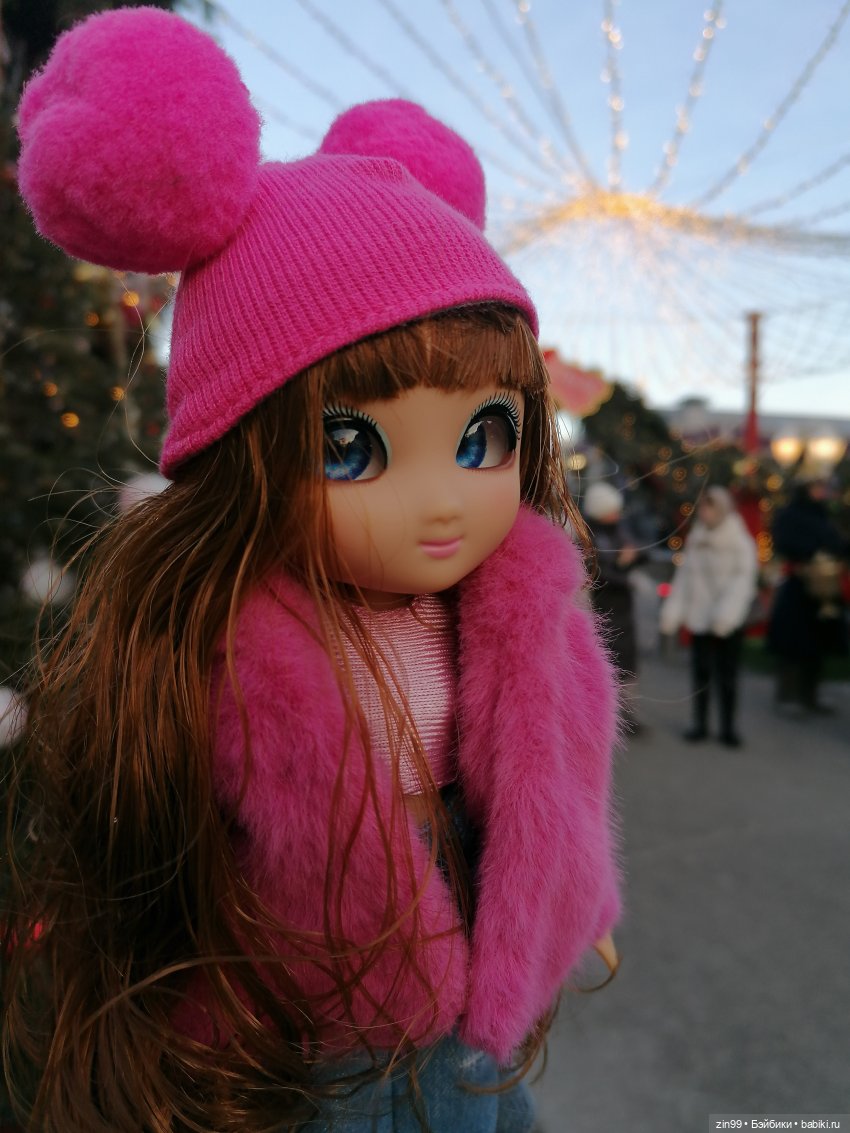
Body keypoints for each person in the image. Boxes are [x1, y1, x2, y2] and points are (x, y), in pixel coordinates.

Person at [2, 10, 620, 1133]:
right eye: (350, 447)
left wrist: (563, 890)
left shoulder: (516, 604)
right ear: (241, 456)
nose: (443, 498)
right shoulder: (215, 645)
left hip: (480, 939)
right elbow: (163, 860)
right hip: (311, 986)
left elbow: (551, 771)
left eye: (483, 436)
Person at [660, 486, 758, 747]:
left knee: (728, 674)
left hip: (730, 619)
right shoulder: (697, 538)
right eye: (703, 507)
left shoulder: (739, 541)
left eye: (710, 507)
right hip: (700, 614)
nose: (704, 512)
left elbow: (744, 581)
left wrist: (727, 614)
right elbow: (684, 579)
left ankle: (728, 728)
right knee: (700, 671)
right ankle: (700, 724)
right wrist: (673, 611)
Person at [767, 476, 849, 714]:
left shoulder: (823, 515)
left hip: (824, 589)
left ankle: (810, 696)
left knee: (817, 645)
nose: (822, 491)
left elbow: (837, 544)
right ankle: (788, 696)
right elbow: (785, 543)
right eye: (817, 486)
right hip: (800, 586)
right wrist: (812, 554)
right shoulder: (791, 514)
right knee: (793, 644)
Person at [582, 481, 644, 733]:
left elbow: (639, 551)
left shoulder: (618, 530)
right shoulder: (590, 536)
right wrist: (623, 567)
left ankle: (626, 715)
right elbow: (598, 573)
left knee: (626, 661)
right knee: (605, 661)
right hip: (602, 607)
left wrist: (631, 558)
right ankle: (602, 716)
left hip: (623, 608)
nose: (617, 515)